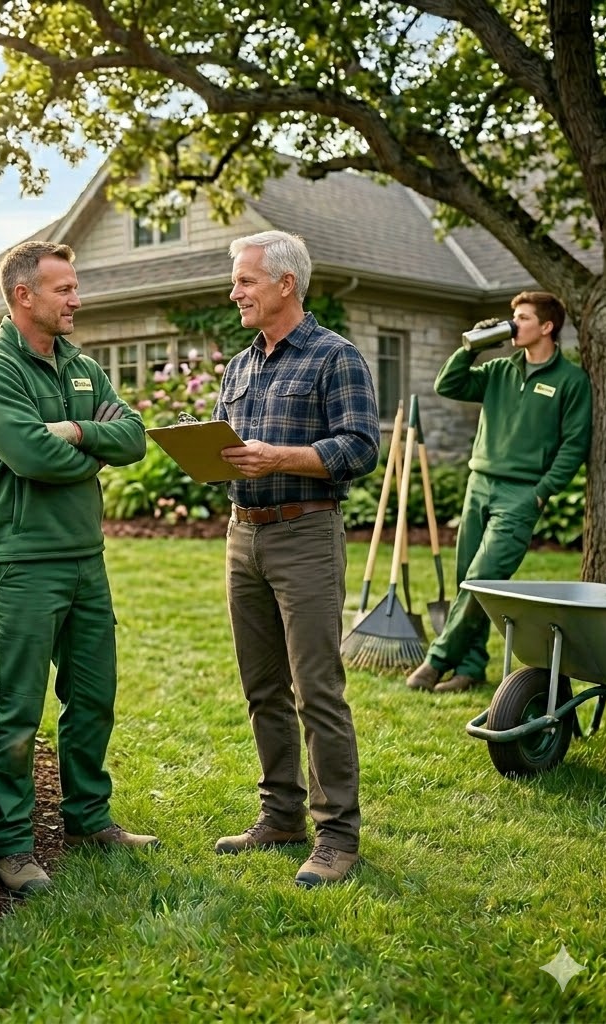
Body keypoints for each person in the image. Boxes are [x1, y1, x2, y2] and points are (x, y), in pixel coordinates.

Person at [0, 240, 157, 897]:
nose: (77, 299)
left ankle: (88, 818)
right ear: (24, 296)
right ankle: (12, 846)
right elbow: (32, 459)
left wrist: (75, 433)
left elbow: (132, 435)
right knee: (16, 711)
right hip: (22, 565)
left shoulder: (79, 365)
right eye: (63, 289)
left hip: (84, 560)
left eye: (75, 288)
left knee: (93, 697)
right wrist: (83, 443)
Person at [213, 230, 381, 888]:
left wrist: (279, 458)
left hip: (306, 534)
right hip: (243, 533)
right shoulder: (241, 364)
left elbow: (361, 447)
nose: (235, 293)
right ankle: (279, 816)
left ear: (286, 284)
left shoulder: (335, 357)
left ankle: (337, 834)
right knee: (262, 688)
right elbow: (233, 443)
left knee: (318, 690)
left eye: (246, 281)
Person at [405, 291, 592, 693]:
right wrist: (471, 346)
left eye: (522, 318)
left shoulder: (570, 381)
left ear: (546, 326)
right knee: (465, 581)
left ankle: (437, 660)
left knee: (483, 577)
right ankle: (470, 668)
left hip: (522, 493)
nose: (514, 325)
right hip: (480, 484)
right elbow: (448, 384)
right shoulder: (500, 370)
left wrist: (541, 492)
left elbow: (575, 445)